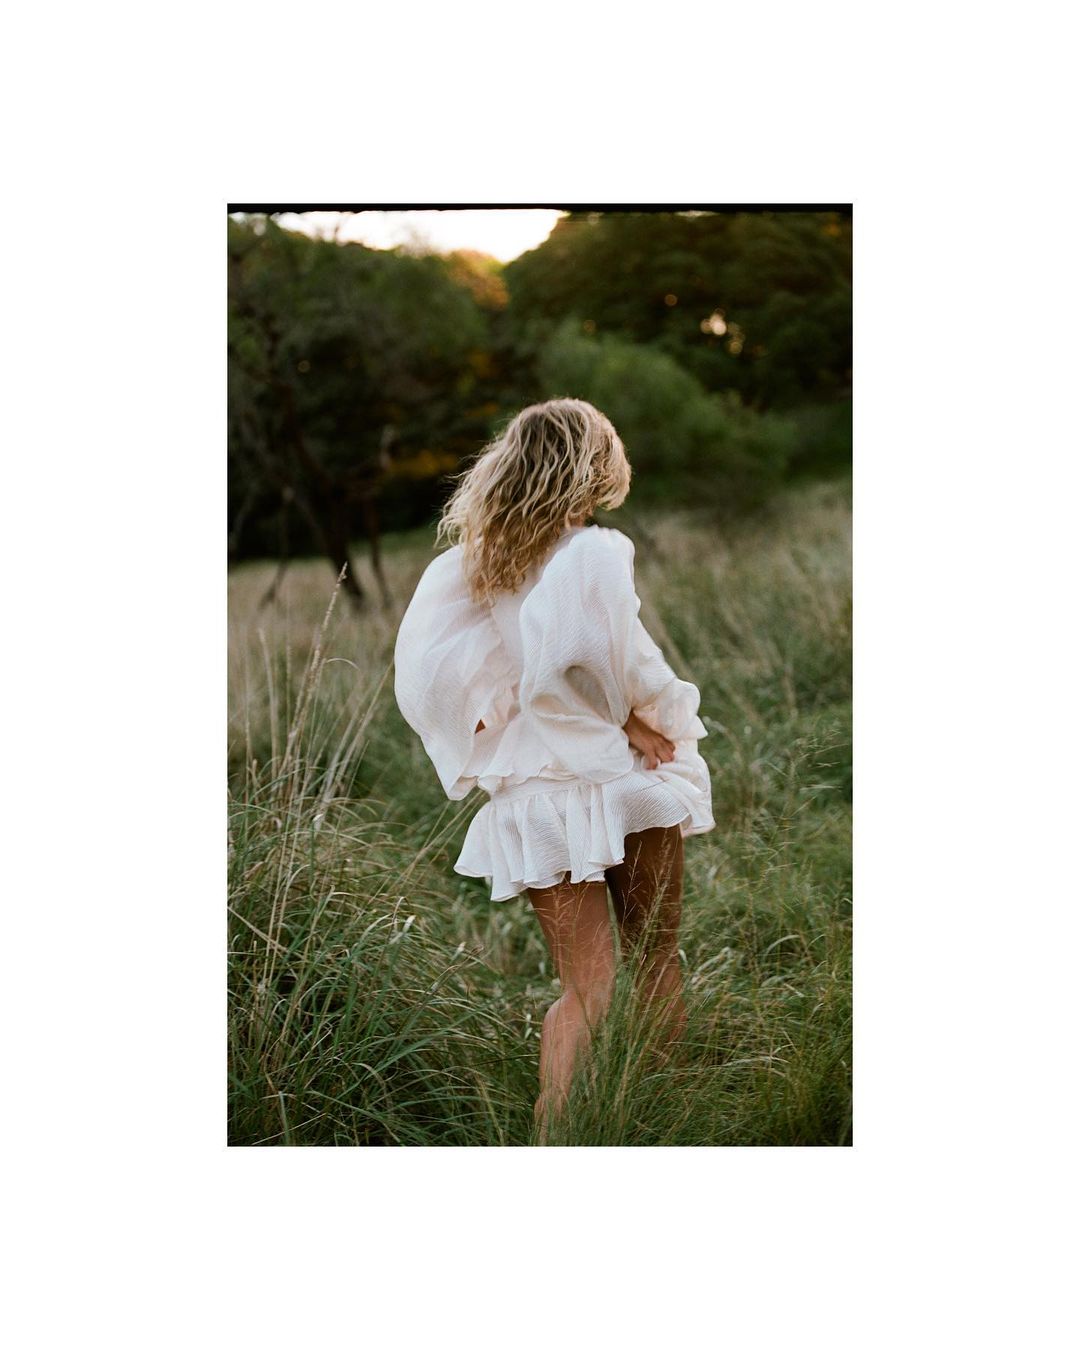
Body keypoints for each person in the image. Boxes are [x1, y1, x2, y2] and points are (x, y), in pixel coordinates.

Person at [393, 398, 715, 1138]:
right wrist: (641, 716)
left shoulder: (475, 565)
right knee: (656, 956)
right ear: (592, 465)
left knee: (585, 990)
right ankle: (661, 1114)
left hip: (533, 797)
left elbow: (438, 678)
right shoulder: (592, 552)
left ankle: (555, 1134)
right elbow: (612, 660)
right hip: (616, 780)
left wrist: (494, 730)